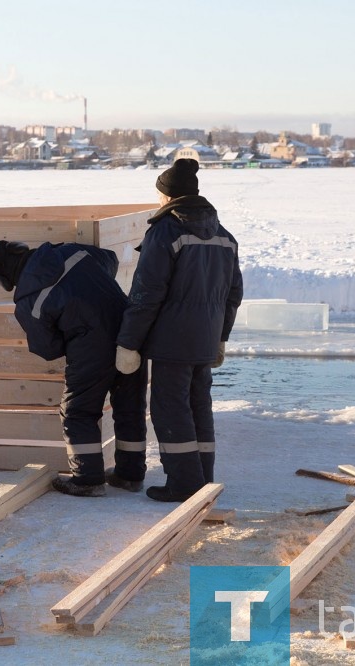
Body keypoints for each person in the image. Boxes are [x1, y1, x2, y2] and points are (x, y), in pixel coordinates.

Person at [115, 158, 243, 502]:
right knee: (199, 404)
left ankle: (184, 483)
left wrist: (128, 344)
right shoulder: (224, 236)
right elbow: (234, 294)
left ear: (167, 196)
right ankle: (203, 476)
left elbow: (146, 293)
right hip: (204, 339)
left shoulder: (165, 232)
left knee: (170, 408)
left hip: (172, 340)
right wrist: (220, 338)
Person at [0, 240, 149, 497]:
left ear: (7, 279)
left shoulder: (30, 301)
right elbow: (110, 259)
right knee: (130, 406)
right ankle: (130, 475)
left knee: (77, 412)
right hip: (132, 334)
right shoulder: (71, 252)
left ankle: (87, 480)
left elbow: (47, 350)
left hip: (91, 350)